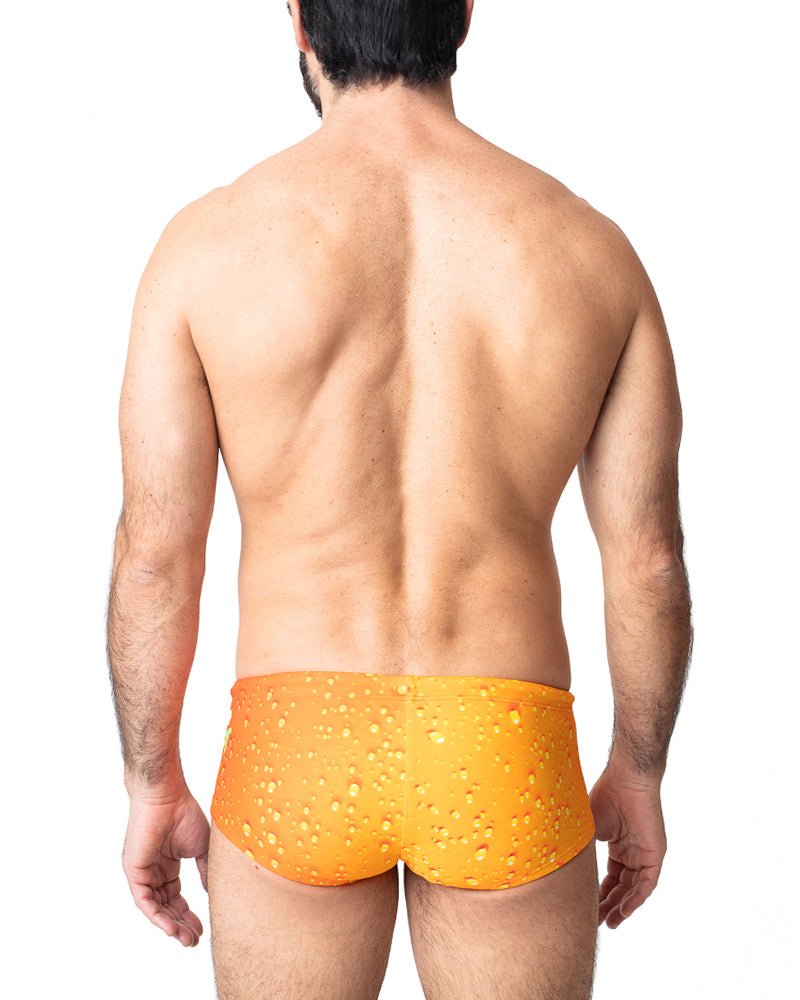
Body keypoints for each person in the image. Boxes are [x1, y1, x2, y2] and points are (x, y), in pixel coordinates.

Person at [106, 1, 693, 997]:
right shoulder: (590, 251)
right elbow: (648, 561)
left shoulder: (206, 247)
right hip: (502, 745)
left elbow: (155, 558)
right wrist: (637, 770)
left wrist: (151, 779)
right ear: (461, 15)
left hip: (299, 740)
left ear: (300, 23)